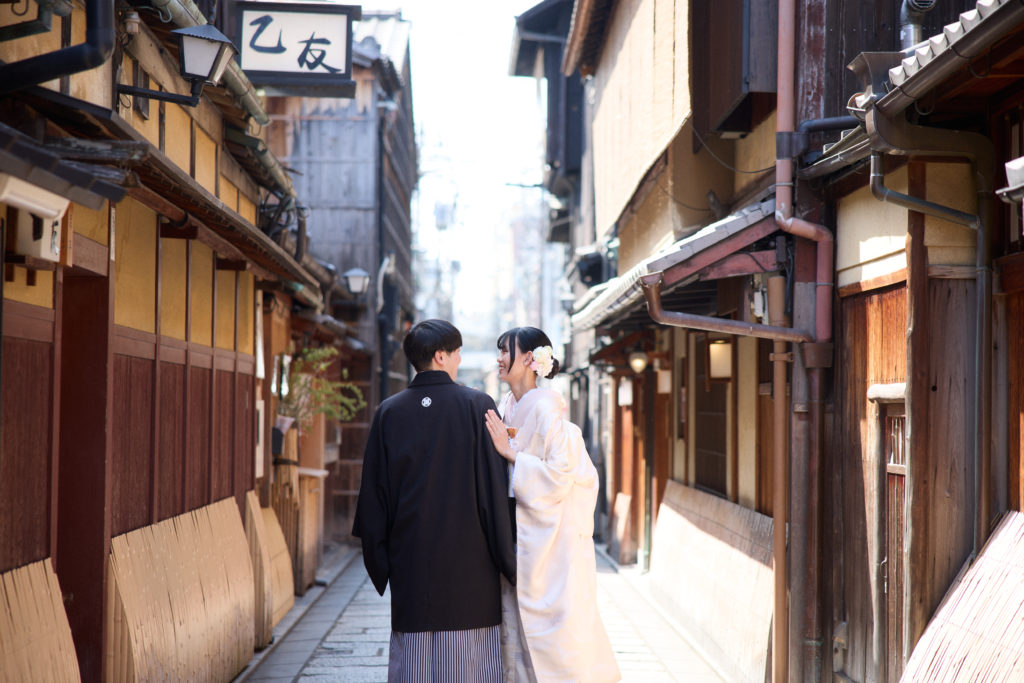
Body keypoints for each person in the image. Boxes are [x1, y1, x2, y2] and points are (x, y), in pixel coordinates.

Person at [353, 319, 516, 682]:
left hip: (410, 559)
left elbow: (374, 498)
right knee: (469, 665)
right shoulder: (478, 405)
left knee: (415, 663)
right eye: (457, 352)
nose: (459, 358)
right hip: (470, 565)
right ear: (441, 356)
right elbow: (494, 489)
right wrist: (508, 558)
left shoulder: (389, 412)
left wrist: (382, 561)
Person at [485, 326, 620, 683]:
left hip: (548, 540)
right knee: (516, 624)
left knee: (554, 630)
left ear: (529, 359)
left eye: (505, 351)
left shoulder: (548, 410)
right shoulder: (508, 407)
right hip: (518, 534)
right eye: (498, 351)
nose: (498, 359)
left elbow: (561, 476)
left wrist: (510, 454)